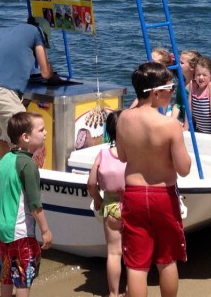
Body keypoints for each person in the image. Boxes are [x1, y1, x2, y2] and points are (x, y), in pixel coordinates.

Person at [116, 62, 192, 297]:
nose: (173, 91)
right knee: (166, 259)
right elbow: (184, 169)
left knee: (136, 264)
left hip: (135, 194)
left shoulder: (123, 119)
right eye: (170, 87)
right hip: (162, 195)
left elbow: (122, 156)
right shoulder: (169, 125)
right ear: (156, 92)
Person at [0, 112, 53, 297]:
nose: (46, 133)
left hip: (0, 228)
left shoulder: (5, 159)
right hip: (20, 233)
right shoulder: (28, 165)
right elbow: (34, 204)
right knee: (23, 279)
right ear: (26, 137)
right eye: (41, 130)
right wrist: (45, 230)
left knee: (6, 276)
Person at [0, 17, 53, 159]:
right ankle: (18, 180)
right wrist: (52, 73)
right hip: (1, 94)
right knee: (24, 141)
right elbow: (45, 72)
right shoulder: (36, 32)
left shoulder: (0, 33)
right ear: (43, 34)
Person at [87, 111, 126, 297]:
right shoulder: (135, 154)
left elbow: (90, 183)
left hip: (110, 205)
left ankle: (113, 293)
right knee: (133, 253)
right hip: (133, 205)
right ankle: (132, 289)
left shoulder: (102, 154)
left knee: (113, 253)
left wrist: (98, 199)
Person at [186, 56, 211, 135]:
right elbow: (189, 108)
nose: (201, 77)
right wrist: (185, 128)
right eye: (198, 74)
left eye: (204, 75)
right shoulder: (192, 84)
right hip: (200, 131)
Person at [172, 49, 202, 124]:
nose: (178, 64)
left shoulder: (198, 85)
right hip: (182, 119)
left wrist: (186, 125)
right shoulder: (181, 82)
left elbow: (196, 110)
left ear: (192, 67)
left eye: (181, 63)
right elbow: (177, 104)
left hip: (194, 123)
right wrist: (172, 120)